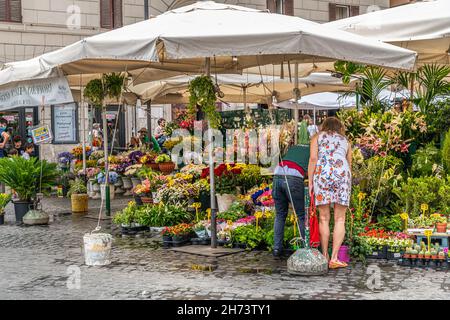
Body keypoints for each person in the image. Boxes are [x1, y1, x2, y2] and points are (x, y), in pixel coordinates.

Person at [308, 117, 352, 269]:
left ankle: (324, 256)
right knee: (340, 219)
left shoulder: (317, 138)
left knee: (324, 218)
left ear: (324, 126)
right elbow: (349, 163)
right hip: (342, 175)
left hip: (323, 174)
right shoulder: (345, 141)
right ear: (340, 127)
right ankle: (334, 258)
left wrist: (310, 181)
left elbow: (313, 159)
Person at [272, 143, 310, 257]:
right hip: (293, 178)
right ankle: (306, 247)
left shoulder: (295, 147)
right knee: (301, 215)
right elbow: (311, 170)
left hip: (277, 176)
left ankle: (277, 249)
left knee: (280, 215)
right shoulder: (314, 149)